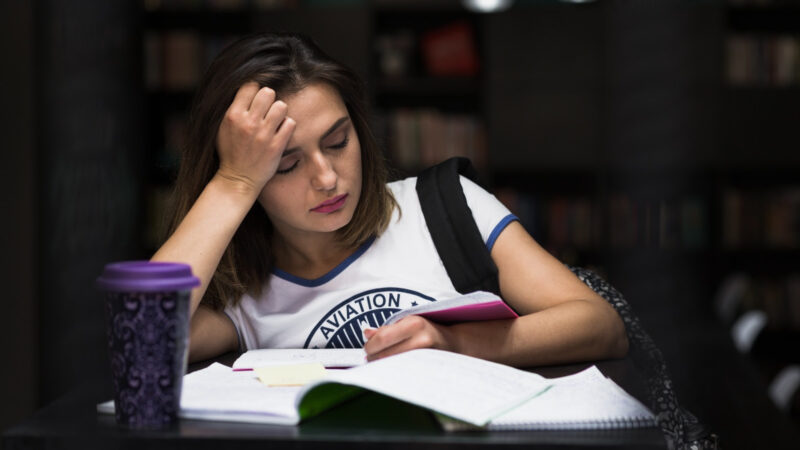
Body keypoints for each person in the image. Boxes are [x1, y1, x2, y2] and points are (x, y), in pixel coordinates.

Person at [152, 32, 628, 366]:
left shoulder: (444, 207)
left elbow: (600, 325)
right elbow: (144, 344)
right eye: (286, 165)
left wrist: (453, 343)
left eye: (338, 142)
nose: (327, 178)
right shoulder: (244, 297)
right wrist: (233, 181)